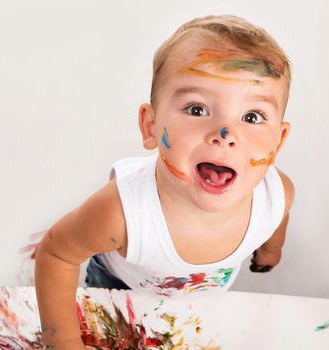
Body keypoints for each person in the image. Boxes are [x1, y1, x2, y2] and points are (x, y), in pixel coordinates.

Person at [35, 14, 294, 349]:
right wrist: (65, 341)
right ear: (151, 126)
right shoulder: (121, 213)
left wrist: (271, 248)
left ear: (279, 140)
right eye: (198, 109)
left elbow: (279, 216)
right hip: (121, 283)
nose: (225, 135)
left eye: (252, 117)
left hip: (200, 298)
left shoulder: (276, 194)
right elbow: (56, 254)